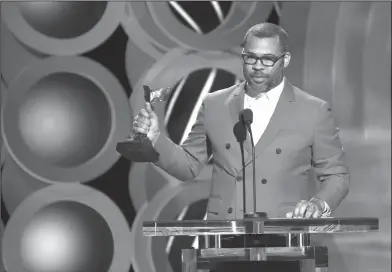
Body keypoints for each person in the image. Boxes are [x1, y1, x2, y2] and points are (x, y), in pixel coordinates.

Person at [132, 23, 349, 222]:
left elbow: (336, 176)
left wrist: (318, 204)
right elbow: (188, 166)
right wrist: (155, 140)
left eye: (267, 59)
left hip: (284, 236)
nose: (257, 67)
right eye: (251, 58)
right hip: (223, 238)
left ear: (286, 60)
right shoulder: (215, 104)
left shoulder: (313, 111)